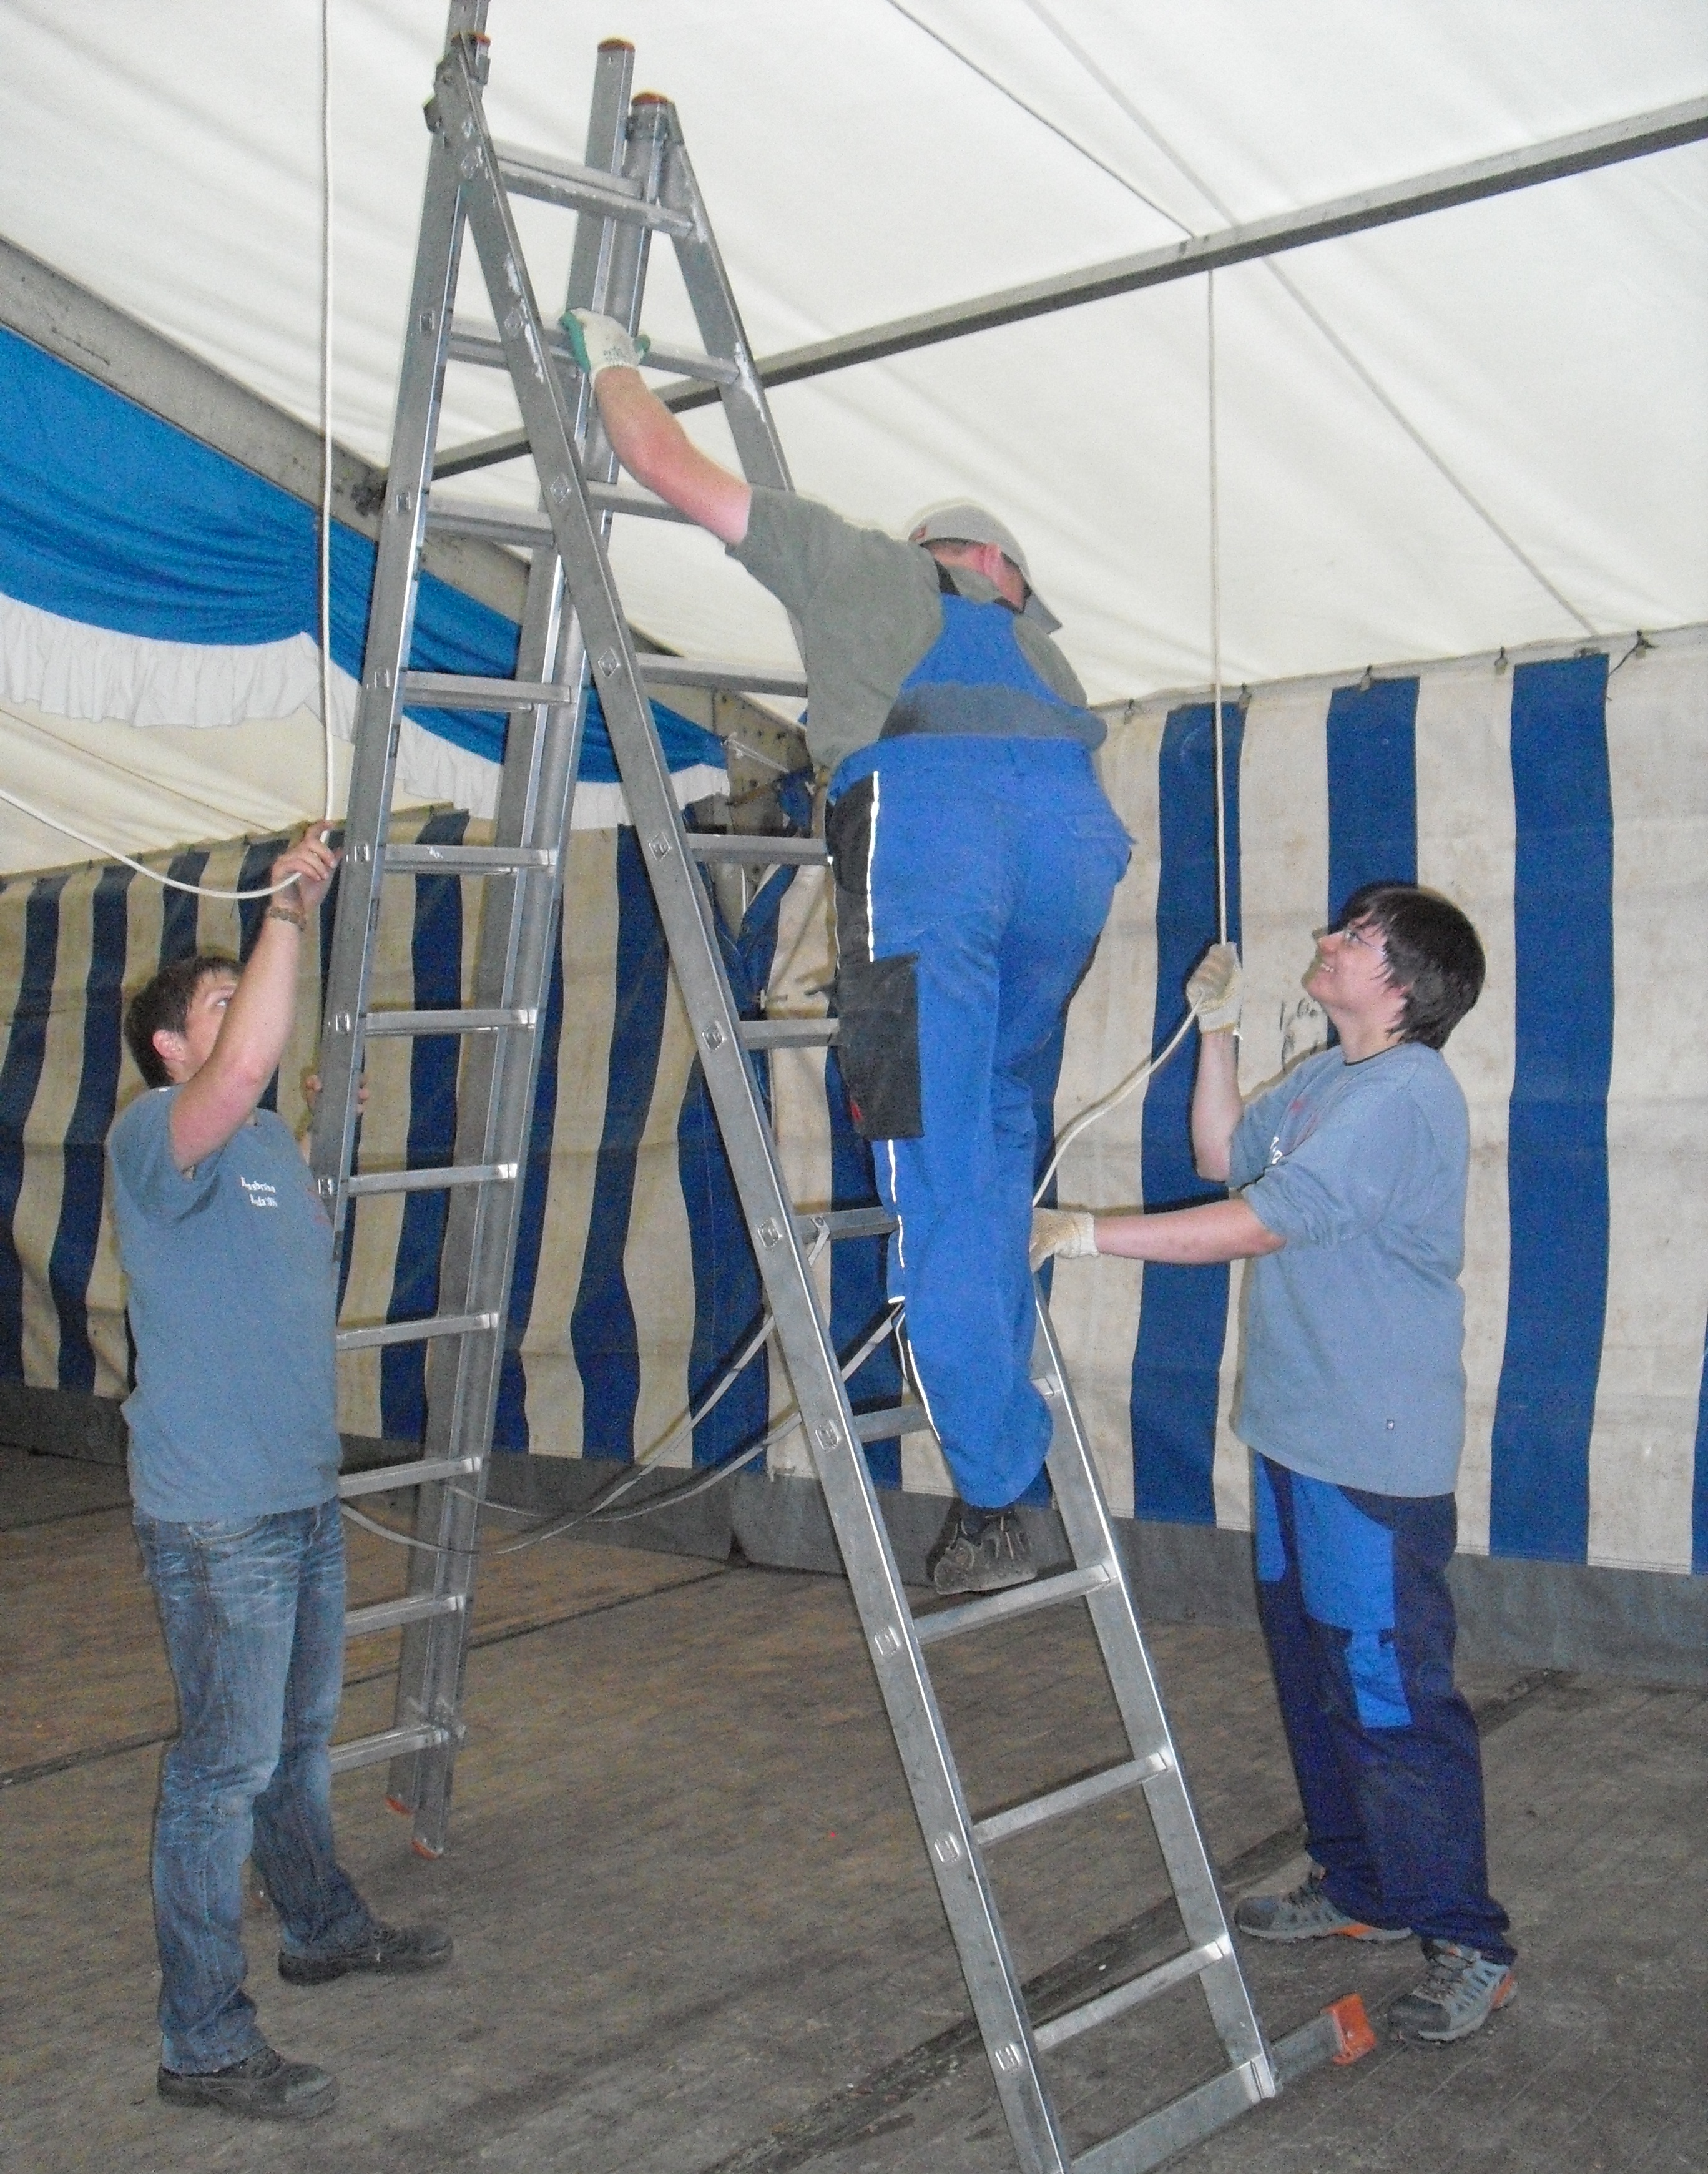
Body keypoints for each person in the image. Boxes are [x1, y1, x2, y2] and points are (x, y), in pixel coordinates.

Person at [563, 310, 1131, 1596]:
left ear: (938, 551)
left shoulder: (860, 563)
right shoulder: (1043, 652)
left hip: (932, 848)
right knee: (994, 1143)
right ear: (1006, 572)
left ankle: (996, 1493)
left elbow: (660, 458)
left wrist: (605, 359)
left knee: (935, 1175)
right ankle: (1004, 1423)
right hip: (1073, 857)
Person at [1033, 885, 1516, 2046]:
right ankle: (1362, 1888)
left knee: (1387, 1689)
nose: (1328, 943)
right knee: (1313, 1673)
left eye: (1356, 938)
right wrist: (1218, 1031)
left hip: (1369, 1451)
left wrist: (1088, 1234)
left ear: (1404, 984)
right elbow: (1221, 1156)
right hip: (1296, 1434)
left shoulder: (1407, 1093)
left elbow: (1261, 1221)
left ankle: (1470, 1941)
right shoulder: (1326, 1080)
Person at [109, 825, 451, 2122]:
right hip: (219, 1520)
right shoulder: (154, 1132)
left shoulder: (261, 1147)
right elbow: (250, 1057)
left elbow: (268, 1231)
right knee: (221, 1773)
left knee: (296, 1745)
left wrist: (316, 1124)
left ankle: (320, 1927)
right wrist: (291, 910)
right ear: (172, 1048)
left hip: (298, 1498)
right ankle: (201, 2042)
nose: (242, 1017)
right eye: (217, 1005)